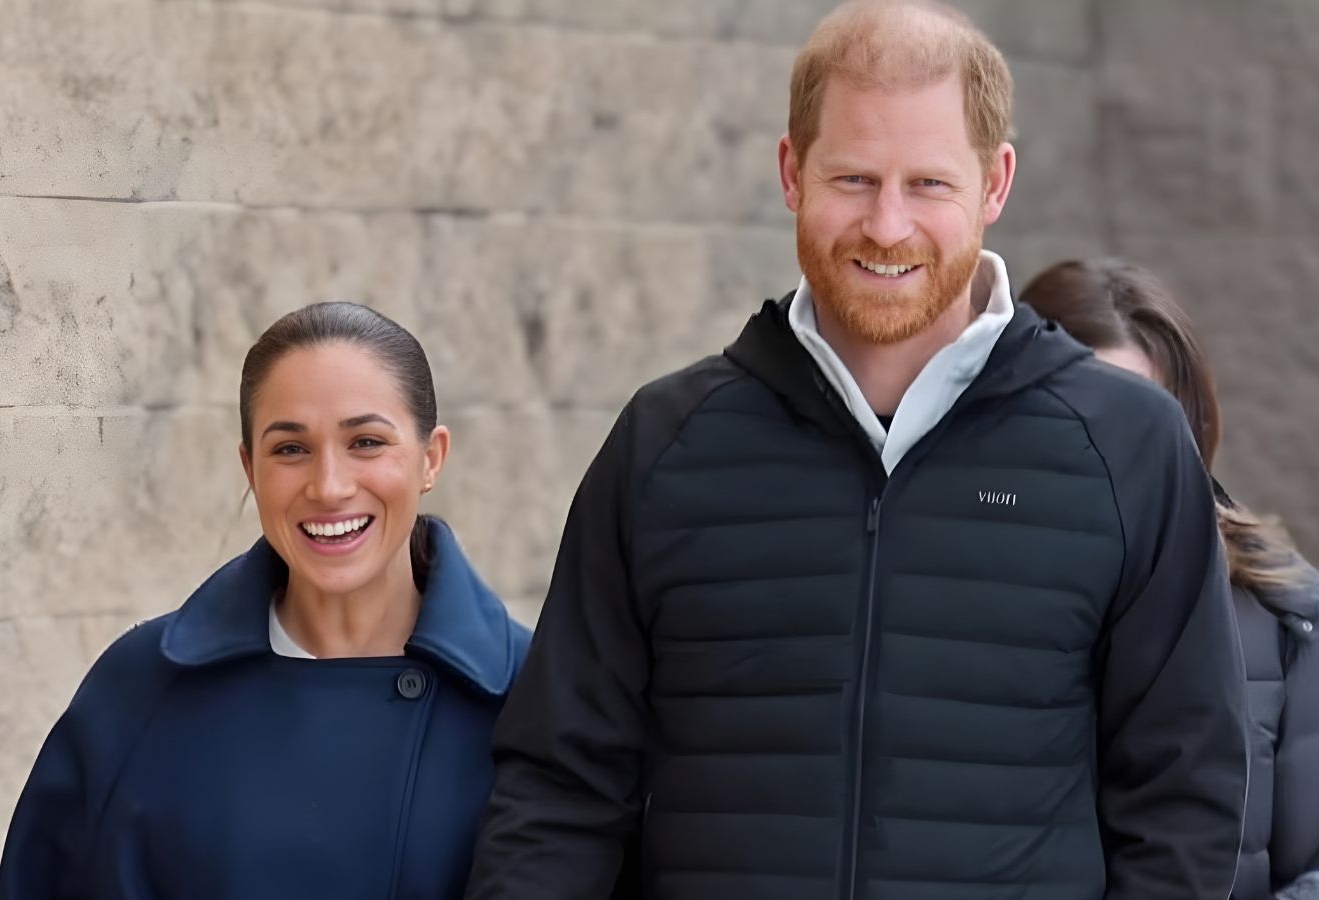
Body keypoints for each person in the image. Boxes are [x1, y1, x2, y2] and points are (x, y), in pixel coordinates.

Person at [466, 2, 1248, 898]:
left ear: (995, 185)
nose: (885, 225)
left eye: (928, 184)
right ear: (792, 171)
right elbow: (562, 788)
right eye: (853, 179)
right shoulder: (665, 445)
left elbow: (1183, 798)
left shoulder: (1127, 448)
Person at [0, 302, 531, 899]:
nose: (329, 486)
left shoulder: (529, 700)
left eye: (367, 442)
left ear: (431, 458)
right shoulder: (140, 689)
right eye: (290, 450)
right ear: (249, 466)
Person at [1020, 258, 1319, 900]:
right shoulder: (949, 597)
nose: (1116, 458)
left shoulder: (1275, 617)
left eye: (1149, 425)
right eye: (1086, 424)